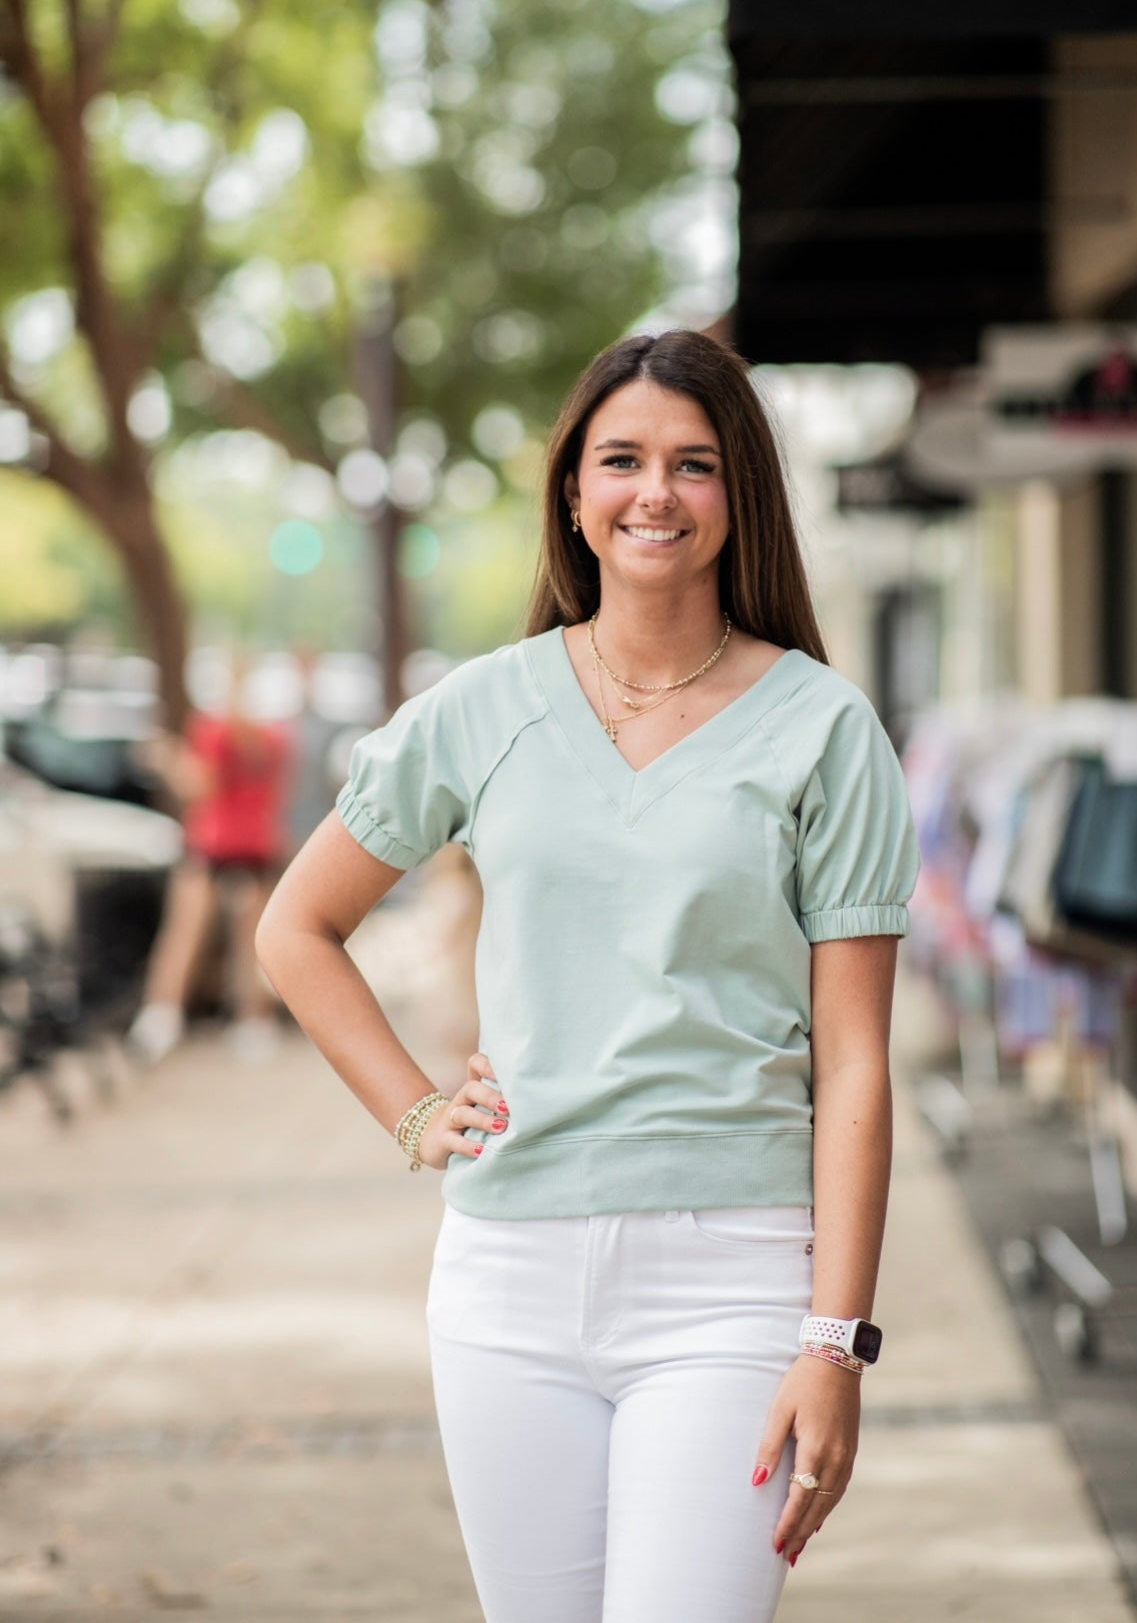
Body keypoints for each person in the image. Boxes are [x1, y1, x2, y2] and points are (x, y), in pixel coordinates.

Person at [256, 329, 920, 1623]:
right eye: (619, 460)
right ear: (573, 491)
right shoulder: (482, 708)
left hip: (730, 1282)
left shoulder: (822, 730)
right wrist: (410, 1106)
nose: (652, 492)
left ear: (739, 499)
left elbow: (855, 1065)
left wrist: (831, 1342)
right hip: (505, 1278)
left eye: (692, 464)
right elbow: (295, 926)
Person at [130, 654, 290, 1063]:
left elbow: (202, 786)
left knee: (184, 933)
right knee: (251, 942)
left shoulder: (213, 730)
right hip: (257, 843)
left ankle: (161, 1018)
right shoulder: (274, 736)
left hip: (214, 843)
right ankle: (255, 1023)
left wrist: (165, 759)